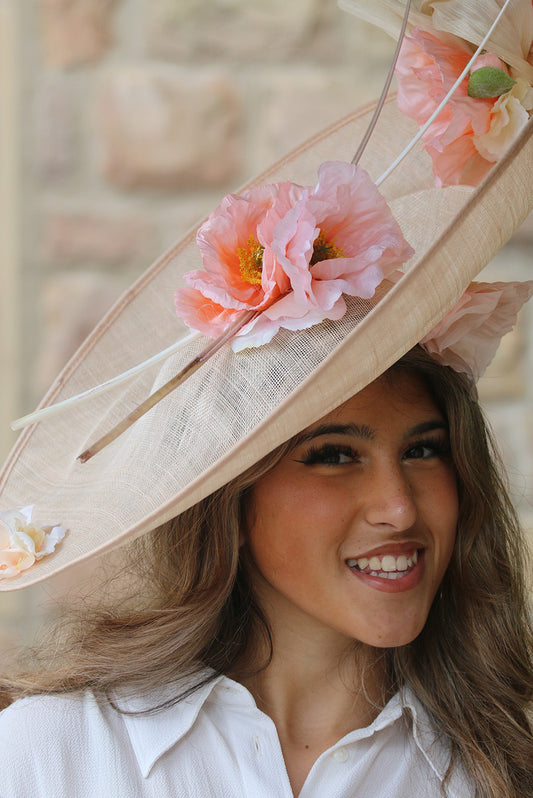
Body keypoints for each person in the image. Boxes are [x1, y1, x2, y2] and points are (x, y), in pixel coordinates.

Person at [1, 5, 533, 796]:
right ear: (231, 494)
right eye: (333, 455)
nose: (398, 507)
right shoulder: (57, 754)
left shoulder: (498, 769)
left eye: (423, 450)